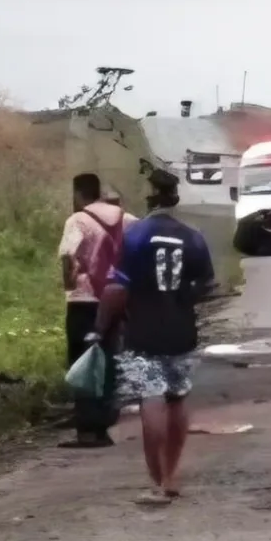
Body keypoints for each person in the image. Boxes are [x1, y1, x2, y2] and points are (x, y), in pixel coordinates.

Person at [90, 169, 216, 504]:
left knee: (152, 399)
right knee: (177, 399)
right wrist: (183, 301)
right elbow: (207, 285)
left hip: (143, 331)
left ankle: (156, 476)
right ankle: (172, 473)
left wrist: (100, 328)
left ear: (149, 198)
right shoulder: (194, 237)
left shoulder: (134, 236)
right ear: (175, 197)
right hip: (182, 331)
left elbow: (117, 288)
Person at [58, 173, 137, 448]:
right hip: (114, 299)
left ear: (78, 193)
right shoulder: (125, 219)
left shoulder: (77, 219)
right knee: (107, 361)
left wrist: (68, 288)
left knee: (83, 364)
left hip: (85, 301)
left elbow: (68, 256)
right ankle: (104, 424)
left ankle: (88, 431)